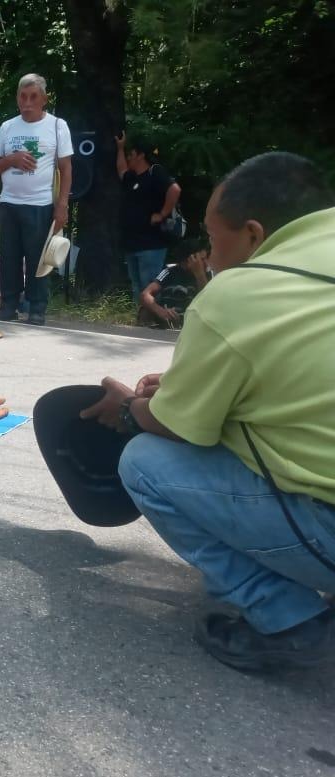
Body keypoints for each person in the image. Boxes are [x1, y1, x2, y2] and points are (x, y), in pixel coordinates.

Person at [80, 152, 335, 672]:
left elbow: (176, 427)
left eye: (215, 240)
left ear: (254, 235)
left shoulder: (238, 292)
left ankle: (286, 617)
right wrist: (188, 384)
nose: (210, 255)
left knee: (145, 462)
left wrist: (130, 406)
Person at [0, 73, 72, 326]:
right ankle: (9, 306)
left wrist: (62, 205)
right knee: (9, 256)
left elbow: (66, 168)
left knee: (37, 258)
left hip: (40, 203)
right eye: (23, 97)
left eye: (33, 97)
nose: (27, 102)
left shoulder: (57, 125)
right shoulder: (8, 127)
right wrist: (12, 159)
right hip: (9, 202)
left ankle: (36, 308)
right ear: (17, 98)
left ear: (44, 99)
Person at [116, 133, 182, 297]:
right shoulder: (132, 177)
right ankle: (141, 313)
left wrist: (162, 213)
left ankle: (154, 313)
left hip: (151, 243)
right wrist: (120, 148)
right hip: (132, 242)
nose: (129, 157)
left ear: (141, 155)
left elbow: (174, 189)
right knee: (137, 286)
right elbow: (122, 171)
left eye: (131, 154)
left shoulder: (155, 172)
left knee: (149, 285)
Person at [137, 240, 211, 328]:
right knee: (145, 310)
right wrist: (161, 312)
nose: (206, 263)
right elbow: (145, 295)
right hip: (167, 316)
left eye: (206, 258)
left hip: (191, 319)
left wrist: (199, 275)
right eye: (202, 260)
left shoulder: (206, 276)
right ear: (189, 259)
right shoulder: (170, 272)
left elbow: (208, 301)